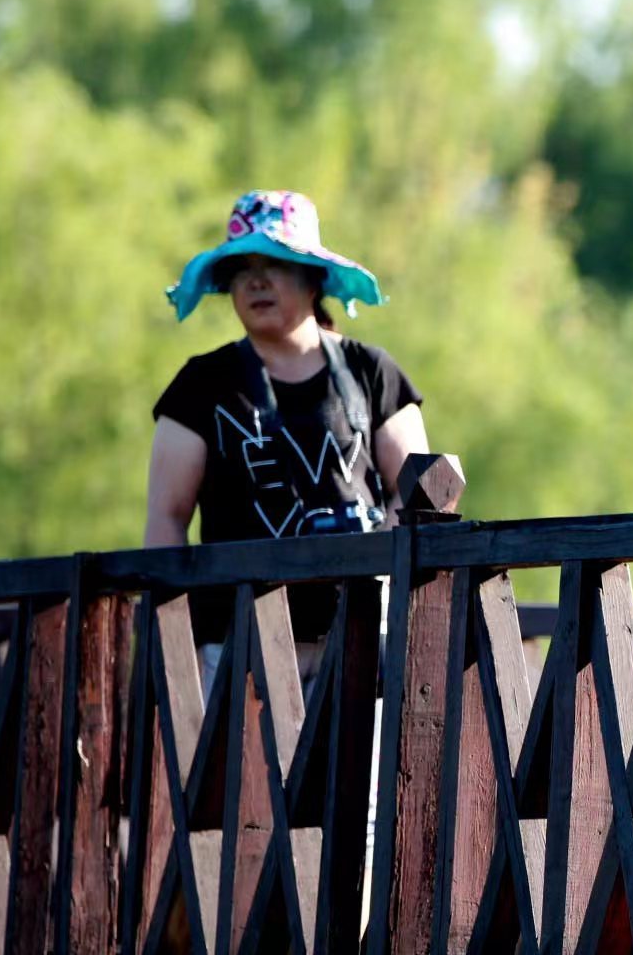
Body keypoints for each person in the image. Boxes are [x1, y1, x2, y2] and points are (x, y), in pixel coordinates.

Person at [146, 190, 431, 655]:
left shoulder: (373, 373)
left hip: (361, 644)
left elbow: (423, 494)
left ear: (313, 280)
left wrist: (369, 565)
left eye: (274, 264)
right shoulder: (199, 387)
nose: (256, 282)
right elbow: (166, 520)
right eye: (242, 269)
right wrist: (174, 651)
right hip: (237, 652)